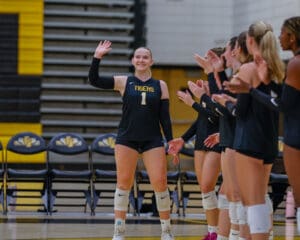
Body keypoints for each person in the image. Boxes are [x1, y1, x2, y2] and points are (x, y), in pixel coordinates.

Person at [88, 40, 176, 240]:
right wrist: (97, 57)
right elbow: (94, 80)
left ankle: (166, 231)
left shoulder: (160, 85)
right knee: (124, 183)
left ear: (151, 61)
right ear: (133, 60)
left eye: (145, 57)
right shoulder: (124, 81)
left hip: (152, 139)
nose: (141, 59)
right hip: (127, 138)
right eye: (138, 56)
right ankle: (119, 231)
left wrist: (170, 142)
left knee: (160, 183)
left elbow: (165, 118)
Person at [224, 16, 300, 232]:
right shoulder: (278, 67)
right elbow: (278, 101)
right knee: (260, 200)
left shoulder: (248, 70)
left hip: (248, 142)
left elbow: (242, 111)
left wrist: (226, 104)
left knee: (252, 203)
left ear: (249, 41)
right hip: (269, 144)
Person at [169, 48, 223, 240]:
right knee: (204, 189)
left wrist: (195, 101)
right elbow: (202, 117)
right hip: (201, 141)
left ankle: (223, 231)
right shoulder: (209, 84)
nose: (206, 62)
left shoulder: (222, 84)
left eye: (210, 59)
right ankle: (212, 231)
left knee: (209, 184)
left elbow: (216, 115)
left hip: (216, 141)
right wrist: (183, 138)